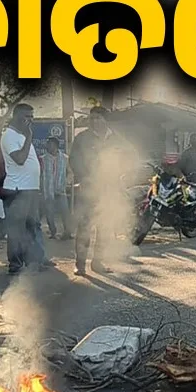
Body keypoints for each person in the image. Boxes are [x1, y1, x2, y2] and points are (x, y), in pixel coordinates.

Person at [0, 104, 46, 274]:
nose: (30, 120)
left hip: (30, 189)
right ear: (16, 116)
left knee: (32, 227)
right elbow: (20, 159)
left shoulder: (22, 135)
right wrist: (30, 137)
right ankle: (15, 265)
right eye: (26, 116)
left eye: (32, 117)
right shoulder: (9, 136)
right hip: (18, 190)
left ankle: (33, 262)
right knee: (16, 230)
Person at [69, 106, 112, 276]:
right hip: (88, 190)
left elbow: (126, 156)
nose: (94, 121)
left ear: (105, 120)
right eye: (91, 118)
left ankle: (98, 262)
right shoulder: (82, 138)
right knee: (85, 227)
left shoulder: (114, 138)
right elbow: (74, 160)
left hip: (108, 190)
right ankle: (80, 264)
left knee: (104, 228)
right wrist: (84, 177)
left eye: (98, 118)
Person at [40, 137, 72, 240]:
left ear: (56, 145)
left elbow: (70, 172)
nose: (49, 146)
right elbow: (39, 174)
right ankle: (53, 232)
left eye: (51, 144)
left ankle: (68, 232)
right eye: (48, 144)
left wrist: (67, 182)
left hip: (60, 190)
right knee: (49, 212)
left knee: (65, 212)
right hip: (48, 190)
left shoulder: (65, 158)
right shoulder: (42, 159)